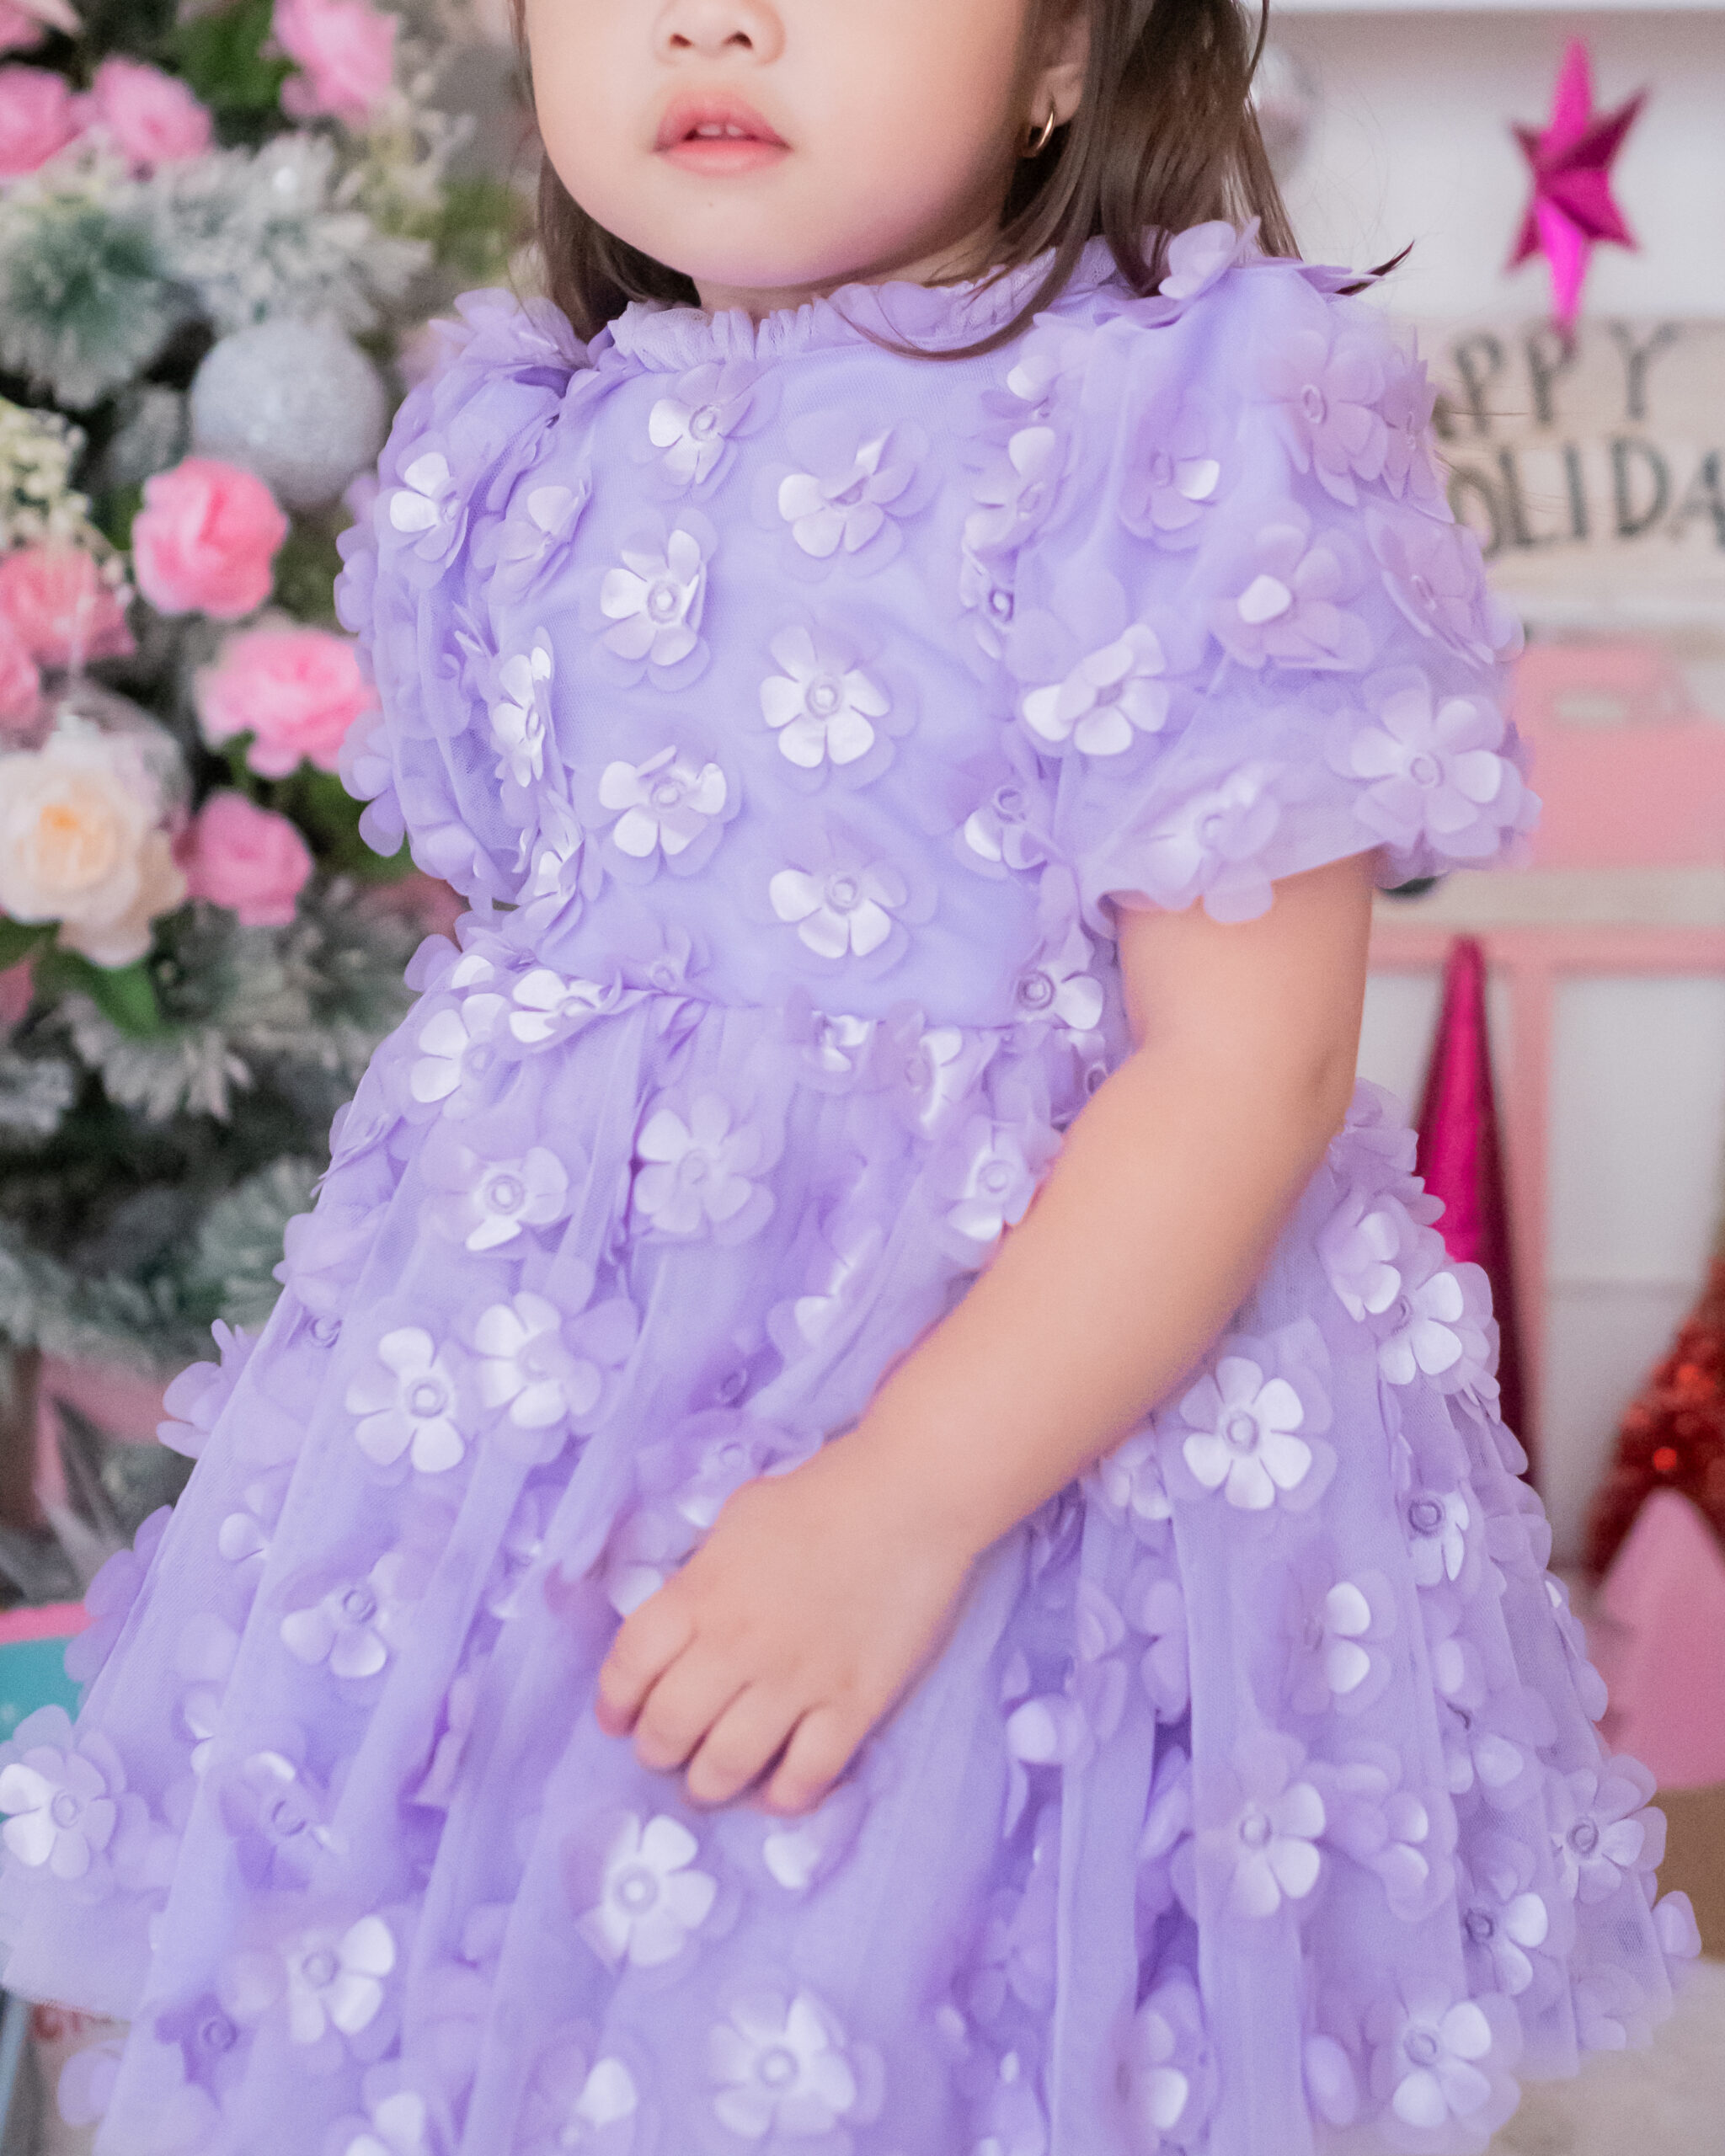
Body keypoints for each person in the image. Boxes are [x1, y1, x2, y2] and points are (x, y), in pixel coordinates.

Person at [0, 1, 1700, 2149]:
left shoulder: (1165, 420)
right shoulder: (521, 443)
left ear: (1067, 48)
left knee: (890, 2008)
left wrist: (899, 1504)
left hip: (1013, 1447)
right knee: (528, 2013)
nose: (711, 18)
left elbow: (1246, 1073)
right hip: (542, 1433)